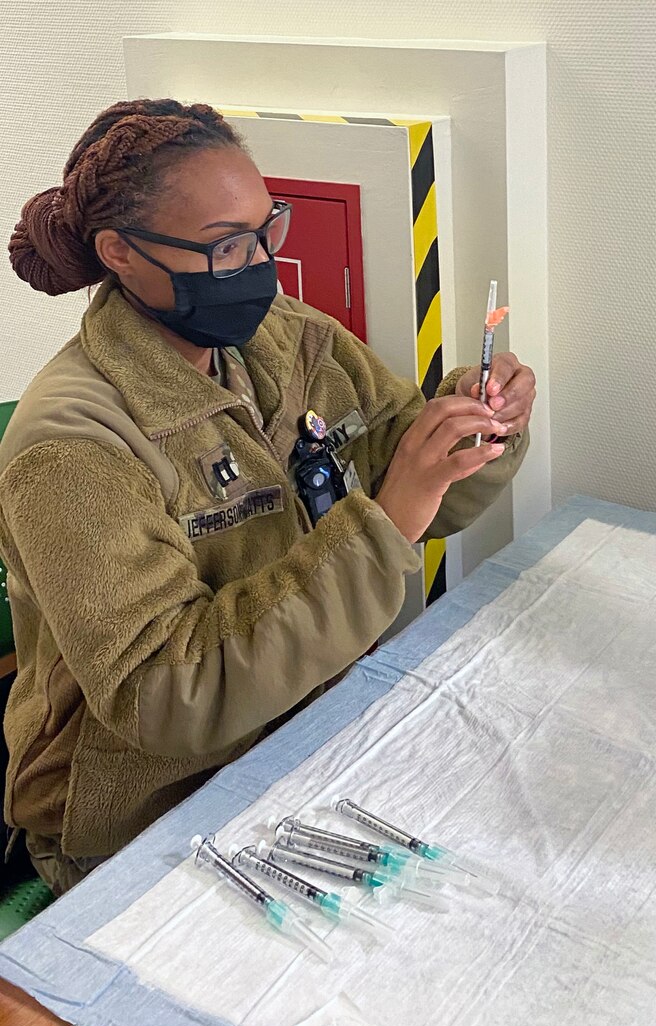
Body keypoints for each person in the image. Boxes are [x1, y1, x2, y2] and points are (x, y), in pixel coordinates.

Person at [0, 99, 535, 894]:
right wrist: (388, 520)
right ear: (120, 253)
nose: (259, 267)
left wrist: (470, 431)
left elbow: (411, 471)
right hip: (153, 807)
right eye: (223, 247)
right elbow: (168, 694)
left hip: (310, 730)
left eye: (264, 229)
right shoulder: (71, 450)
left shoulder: (288, 339)